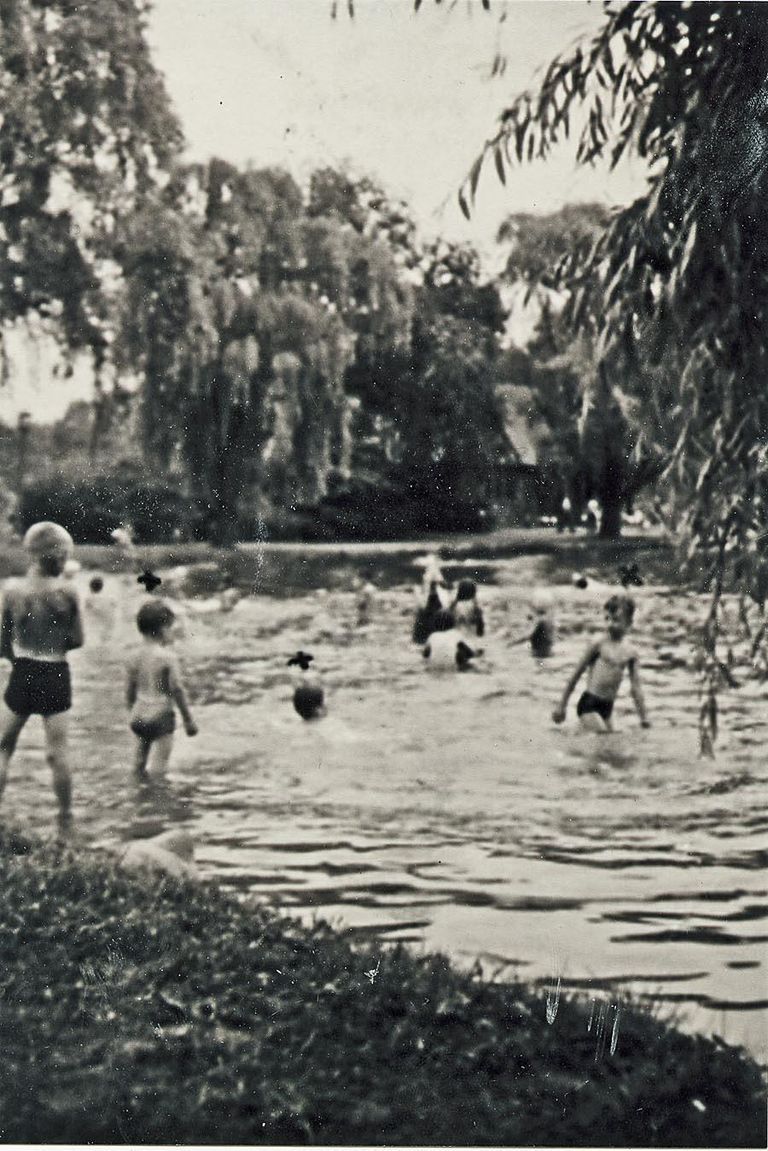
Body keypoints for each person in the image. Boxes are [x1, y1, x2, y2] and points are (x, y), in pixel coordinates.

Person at [0, 521, 84, 823]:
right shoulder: (68, 591)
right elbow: (78, 640)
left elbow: (2, 642)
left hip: (24, 670)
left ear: (30, 554)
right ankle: (65, 815)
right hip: (56, 672)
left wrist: (19, 655)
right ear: (61, 556)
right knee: (57, 752)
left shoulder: (12, 591)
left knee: (3, 745)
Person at [552, 593, 650, 732]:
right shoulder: (599, 643)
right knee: (603, 735)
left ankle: (575, 733)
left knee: (611, 746)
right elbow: (575, 675)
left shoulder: (631, 652)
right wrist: (561, 706)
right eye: (607, 619)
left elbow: (636, 688)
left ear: (629, 623)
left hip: (607, 708)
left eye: (616, 620)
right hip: (589, 705)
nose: (610, 624)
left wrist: (644, 718)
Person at [126, 599, 197, 777]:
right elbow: (177, 689)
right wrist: (188, 720)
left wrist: (132, 711)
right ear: (164, 629)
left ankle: (136, 794)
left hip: (138, 715)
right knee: (160, 765)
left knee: (138, 763)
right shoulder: (168, 657)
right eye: (172, 629)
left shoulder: (133, 656)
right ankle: (156, 798)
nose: (174, 633)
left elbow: (129, 689)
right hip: (161, 716)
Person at [511, 590, 555, 658]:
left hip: (538, 654)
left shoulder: (539, 621)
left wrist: (512, 643)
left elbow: (527, 636)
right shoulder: (549, 620)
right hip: (548, 652)